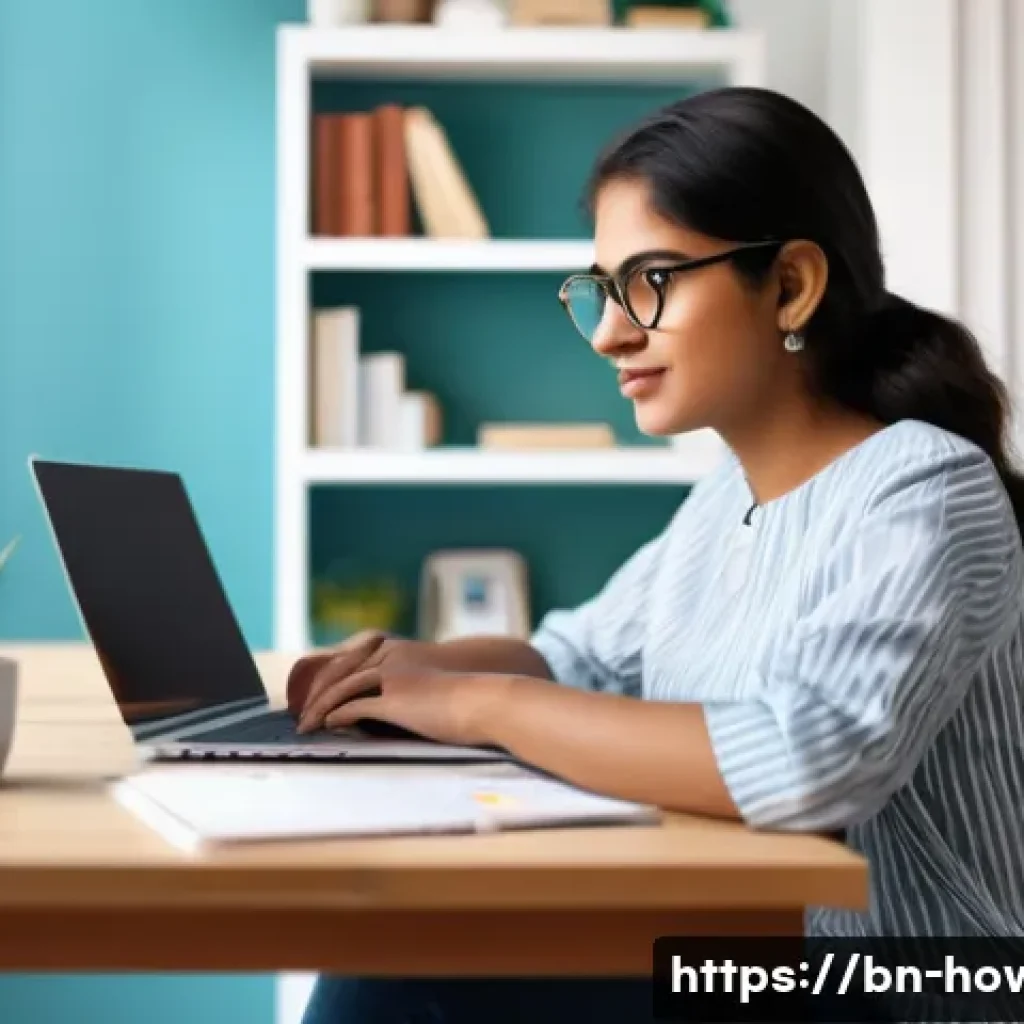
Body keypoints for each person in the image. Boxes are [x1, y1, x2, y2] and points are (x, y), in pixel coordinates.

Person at [289, 86, 1024, 1023]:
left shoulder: (924, 486)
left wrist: (477, 703)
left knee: (407, 974)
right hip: (762, 961)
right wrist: (404, 670)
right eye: (602, 290)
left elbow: (806, 762)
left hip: (909, 991)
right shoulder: (725, 498)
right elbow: (578, 658)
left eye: (652, 282)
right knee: (404, 950)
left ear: (791, 286)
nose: (610, 333)